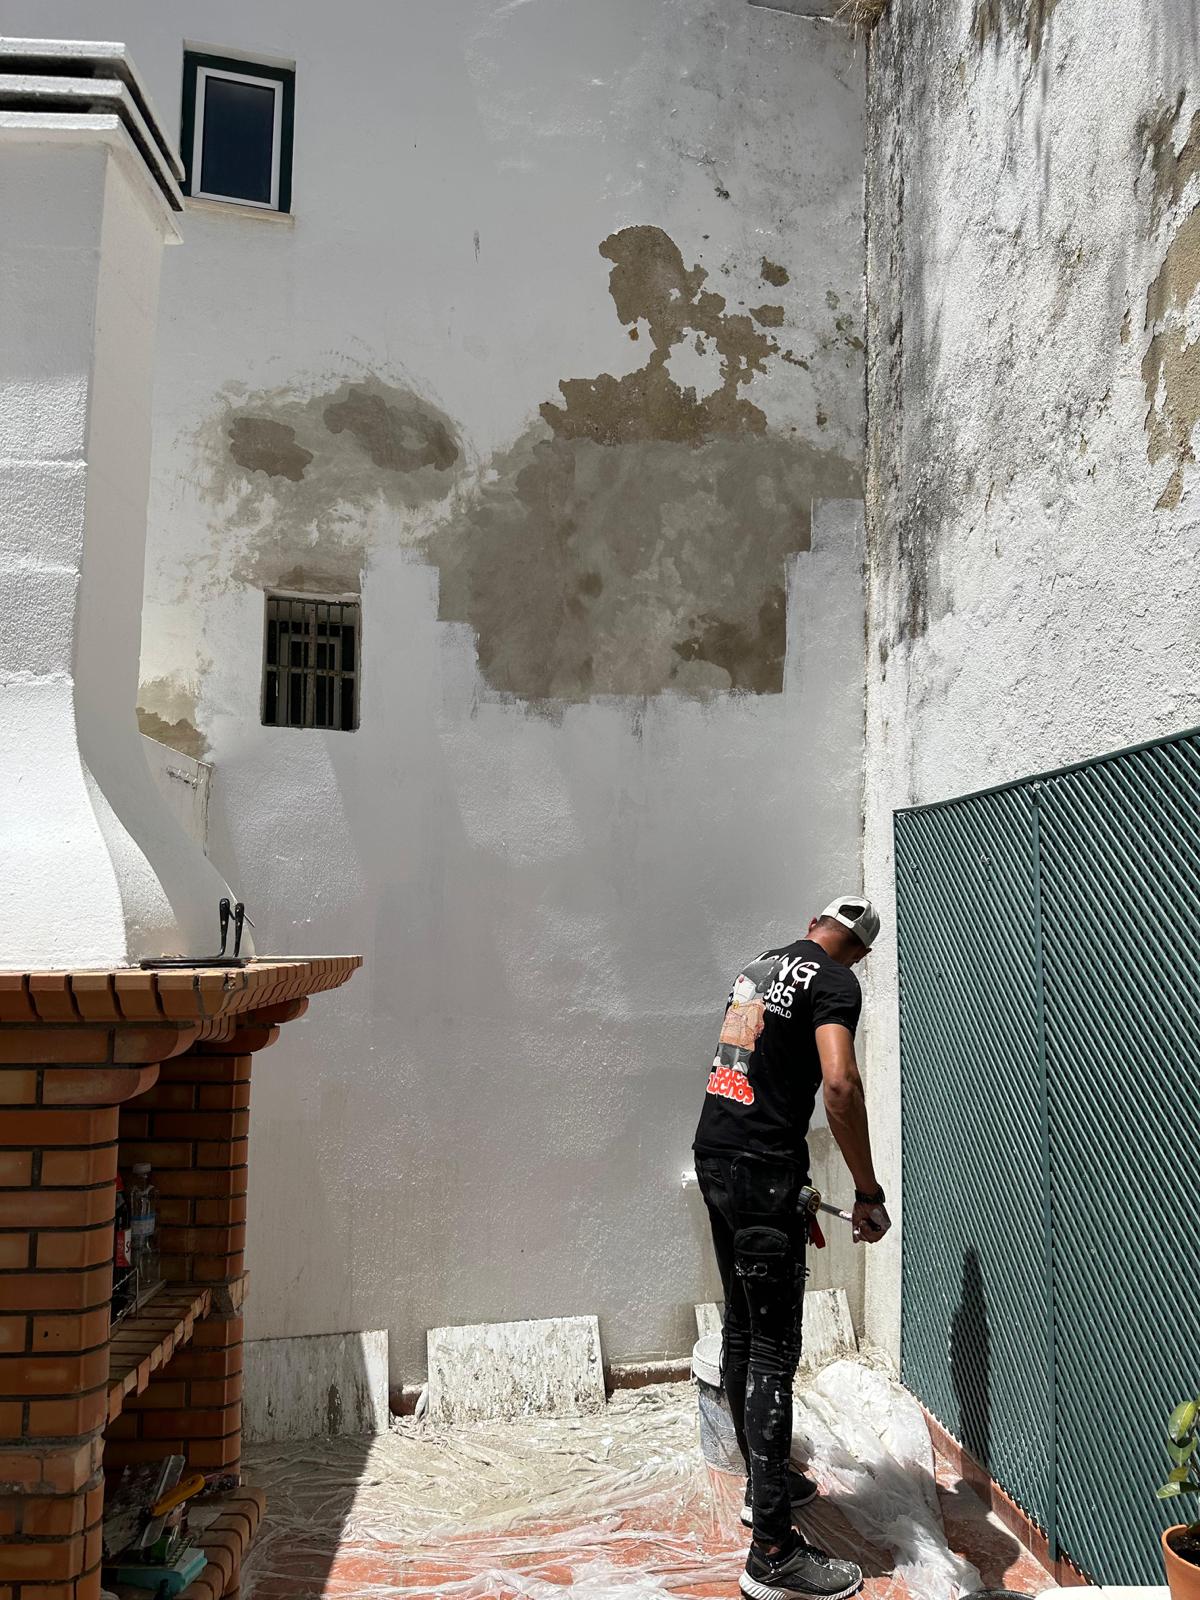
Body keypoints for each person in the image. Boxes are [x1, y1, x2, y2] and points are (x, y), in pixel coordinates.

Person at [693, 895, 892, 1600]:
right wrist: (867, 1191)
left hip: (716, 1157)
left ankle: (762, 1491)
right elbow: (839, 1083)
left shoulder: (757, 969)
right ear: (859, 950)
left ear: (815, 925)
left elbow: (735, 1069)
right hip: (761, 1174)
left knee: (743, 1330)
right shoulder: (837, 983)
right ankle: (772, 1555)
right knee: (776, 1352)